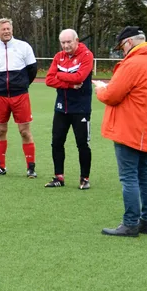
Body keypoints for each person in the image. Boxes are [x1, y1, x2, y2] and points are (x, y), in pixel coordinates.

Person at [94, 26, 147, 237]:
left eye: (122, 46)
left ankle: (130, 222)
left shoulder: (133, 63)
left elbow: (112, 95)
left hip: (129, 126)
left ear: (128, 43)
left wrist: (100, 88)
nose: (122, 50)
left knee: (129, 177)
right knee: (145, 174)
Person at [0, 18, 38, 178]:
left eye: (8, 28)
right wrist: (2, 85)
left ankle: (31, 167)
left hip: (20, 95)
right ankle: (0, 166)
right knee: (0, 130)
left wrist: (20, 85)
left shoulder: (24, 47)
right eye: (3, 29)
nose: (7, 31)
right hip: (0, 96)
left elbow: (32, 70)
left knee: (24, 132)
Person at [44, 29, 94, 189]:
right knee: (57, 142)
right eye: (63, 42)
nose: (66, 45)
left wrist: (59, 75)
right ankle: (59, 177)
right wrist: (69, 84)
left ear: (76, 40)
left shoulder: (86, 55)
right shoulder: (58, 57)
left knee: (82, 144)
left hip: (81, 108)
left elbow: (80, 77)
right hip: (61, 108)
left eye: (69, 42)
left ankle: (84, 178)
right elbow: (48, 80)